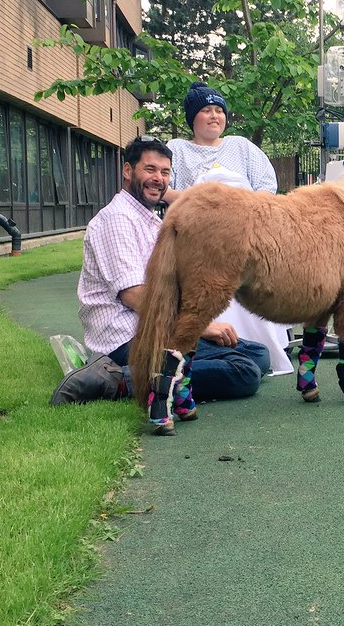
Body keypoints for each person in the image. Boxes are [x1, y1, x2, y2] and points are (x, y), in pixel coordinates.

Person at [51, 136, 271, 431]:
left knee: (258, 355)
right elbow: (134, 296)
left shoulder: (150, 219)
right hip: (128, 336)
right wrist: (200, 327)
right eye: (150, 170)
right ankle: (117, 379)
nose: (158, 179)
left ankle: (143, 372)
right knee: (245, 371)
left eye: (165, 172)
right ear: (128, 171)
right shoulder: (117, 220)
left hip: (158, 325)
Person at [161, 81, 294, 377]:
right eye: (206, 110)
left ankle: (263, 346)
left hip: (245, 229)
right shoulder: (176, 149)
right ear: (192, 118)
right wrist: (202, 202)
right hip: (198, 234)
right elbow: (162, 188)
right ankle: (217, 343)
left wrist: (239, 208)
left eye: (218, 110)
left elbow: (265, 187)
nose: (214, 116)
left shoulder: (242, 146)